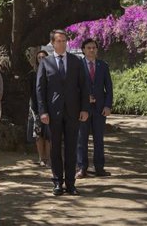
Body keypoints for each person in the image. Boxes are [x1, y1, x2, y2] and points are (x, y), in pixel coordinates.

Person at [35, 29, 89, 196]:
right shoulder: (46, 62)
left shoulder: (76, 61)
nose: (62, 43)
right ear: (53, 43)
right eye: (59, 41)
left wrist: (84, 108)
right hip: (53, 113)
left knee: (71, 148)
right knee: (55, 149)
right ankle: (57, 182)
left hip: (73, 111)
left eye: (65, 41)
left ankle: (71, 184)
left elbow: (84, 86)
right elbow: (40, 89)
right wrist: (43, 111)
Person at [76, 38, 113, 178]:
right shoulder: (78, 65)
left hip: (99, 108)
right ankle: (82, 168)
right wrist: (84, 100)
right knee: (81, 139)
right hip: (83, 109)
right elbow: (74, 88)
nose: (92, 50)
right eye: (89, 47)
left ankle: (99, 168)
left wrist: (108, 105)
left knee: (99, 139)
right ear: (83, 50)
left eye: (94, 48)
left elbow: (108, 87)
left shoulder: (103, 65)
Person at [26, 49, 50, 167]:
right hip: (36, 108)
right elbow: (30, 93)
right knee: (38, 134)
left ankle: (49, 158)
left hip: (50, 108)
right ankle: (42, 158)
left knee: (49, 134)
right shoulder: (32, 74)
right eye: (39, 58)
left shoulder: (52, 73)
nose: (41, 60)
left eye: (44, 57)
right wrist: (35, 109)